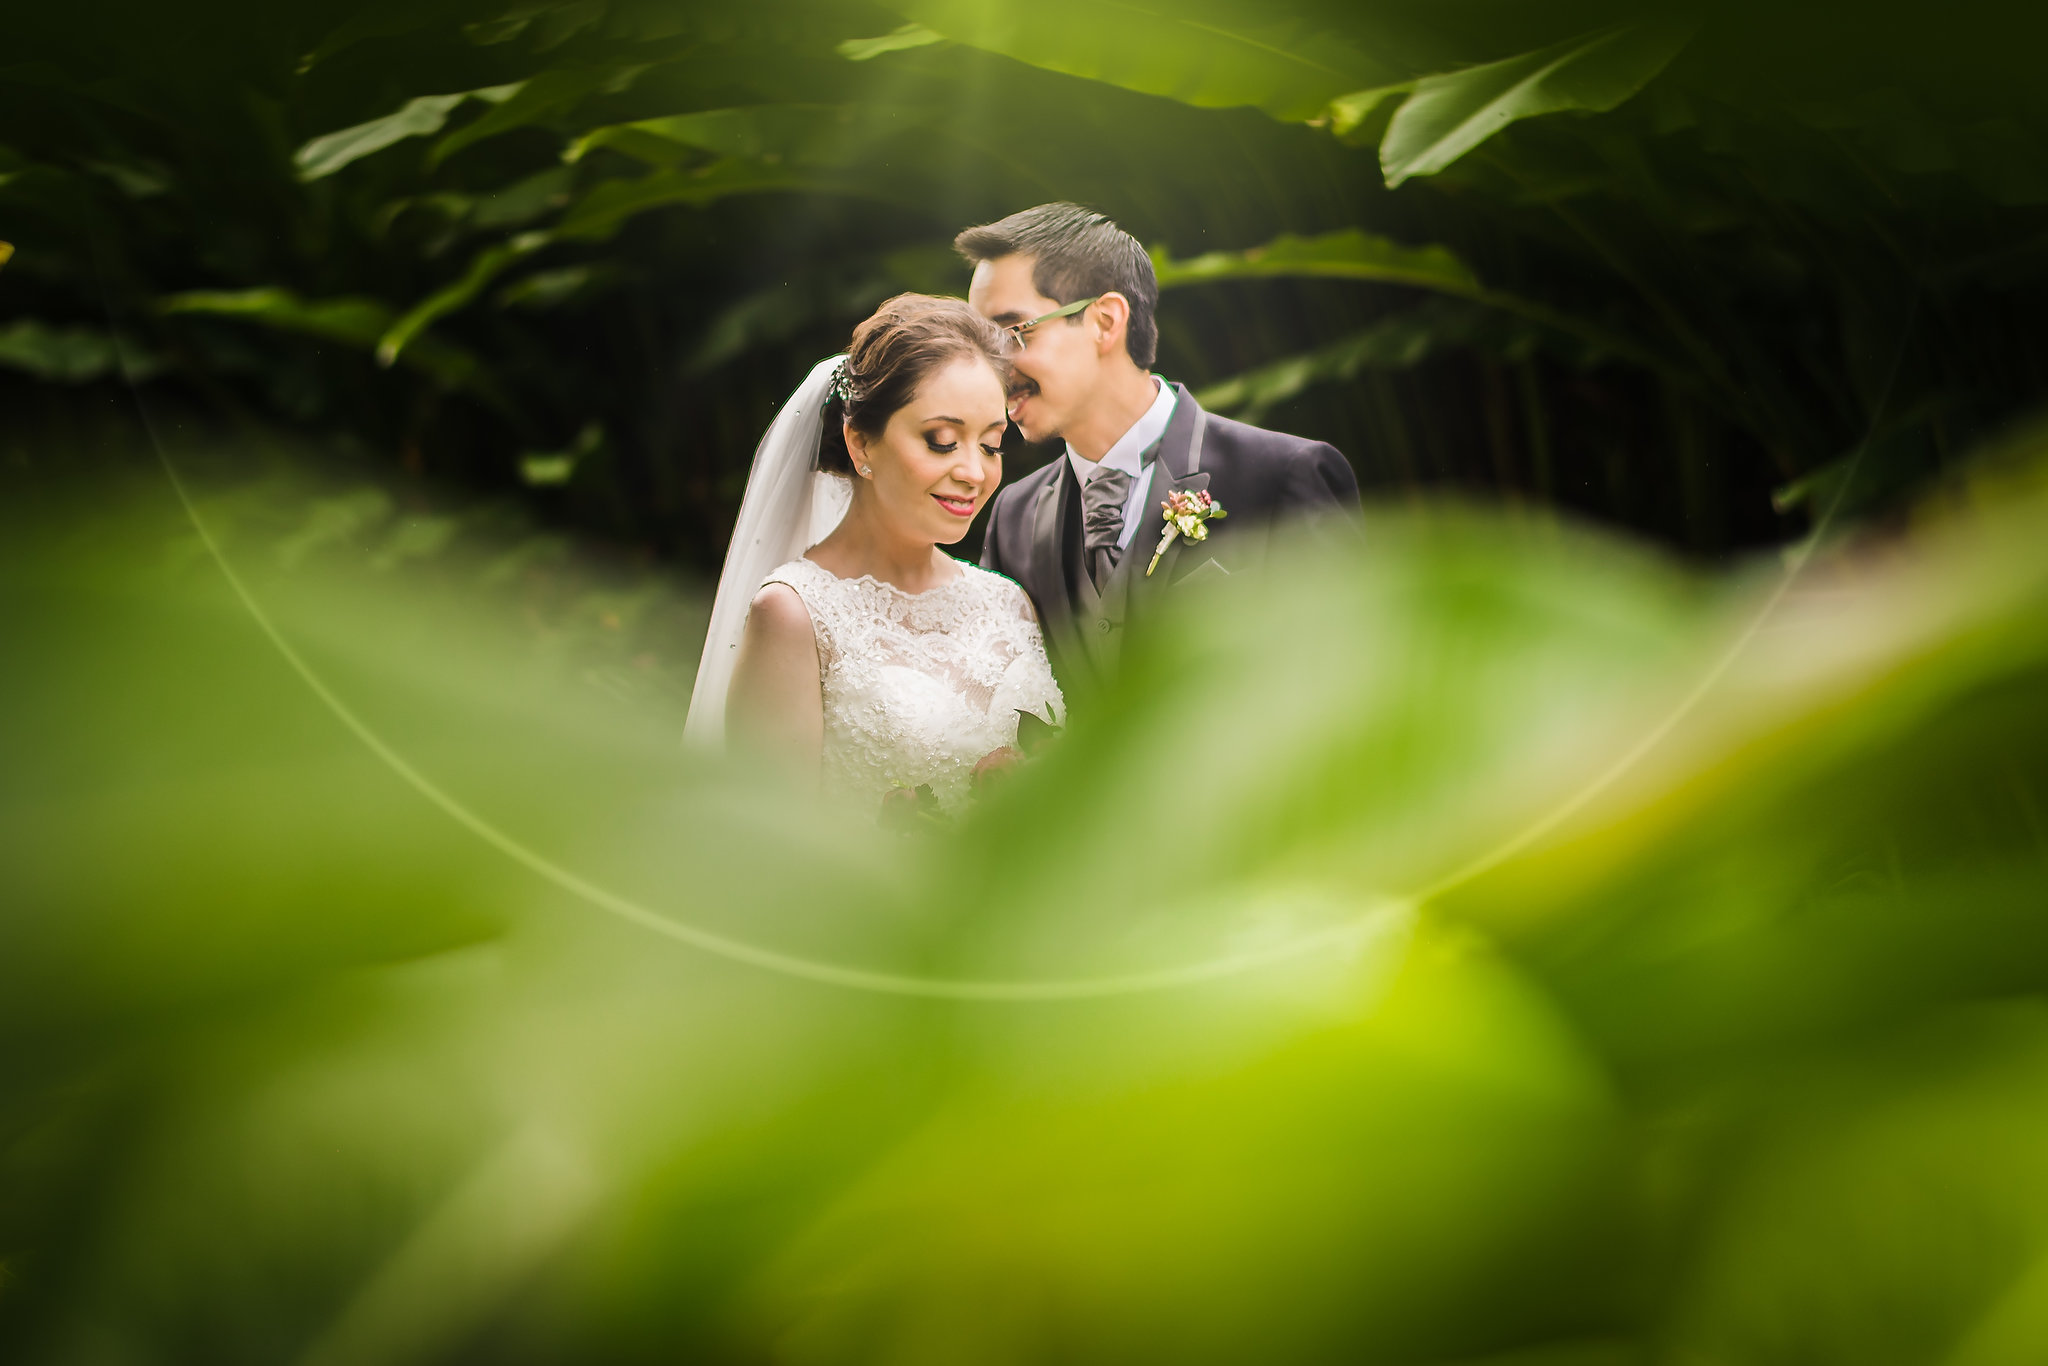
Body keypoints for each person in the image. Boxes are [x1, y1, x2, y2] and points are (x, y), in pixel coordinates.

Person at [684, 295, 1064, 818]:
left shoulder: (1010, 604)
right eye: (942, 440)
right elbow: (775, 855)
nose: (975, 472)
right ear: (861, 444)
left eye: (992, 445)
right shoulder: (795, 616)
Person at [961, 203, 1360, 693]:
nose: (991, 369)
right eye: (978, 347)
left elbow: (1348, 694)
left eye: (1011, 334)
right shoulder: (1014, 516)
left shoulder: (1283, 475)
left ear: (1105, 322)